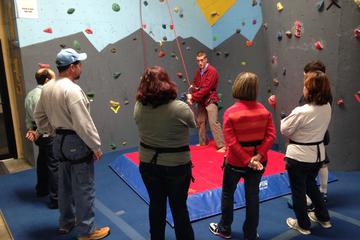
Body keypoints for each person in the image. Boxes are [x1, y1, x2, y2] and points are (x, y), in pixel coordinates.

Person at [34, 48, 110, 240]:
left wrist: (51, 131)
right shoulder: (72, 90)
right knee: (84, 187)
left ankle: (66, 222)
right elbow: (83, 123)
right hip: (76, 141)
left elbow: (38, 116)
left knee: (64, 185)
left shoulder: (48, 87)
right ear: (71, 67)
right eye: (79, 64)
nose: (80, 68)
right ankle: (87, 231)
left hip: (58, 141)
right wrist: (95, 146)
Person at [209, 72, 276, 240]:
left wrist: (247, 161)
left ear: (237, 87)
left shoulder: (230, 113)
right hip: (259, 163)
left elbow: (231, 142)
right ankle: (250, 234)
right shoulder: (264, 111)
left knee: (228, 193)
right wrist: (258, 156)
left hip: (235, 164)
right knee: (252, 197)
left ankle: (224, 228)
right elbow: (271, 136)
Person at [134, 66, 196, 240]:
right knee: (179, 208)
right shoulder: (179, 108)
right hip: (175, 167)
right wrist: (187, 104)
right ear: (166, 82)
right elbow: (193, 124)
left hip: (148, 164)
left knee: (156, 204)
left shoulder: (139, 105)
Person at [281, 71, 332, 235]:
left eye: (305, 86)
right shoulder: (327, 107)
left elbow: (284, 129)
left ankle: (303, 224)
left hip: (299, 158)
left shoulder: (302, 111)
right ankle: (323, 217)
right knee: (311, 186)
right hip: (317, 156)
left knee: (298, 191)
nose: (303, 88)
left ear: (310, 91)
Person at [287, 60, 331, 211]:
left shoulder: (307, 102)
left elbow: (287, 127)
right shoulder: (326, 98)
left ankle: (306, 200)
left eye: (306, 78)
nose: (303, 81)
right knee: (320, 164)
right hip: (319, 135)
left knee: (306, 175)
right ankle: (321, 194)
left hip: (308, 140)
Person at [24, 68, 58, 209]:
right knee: (54, 164)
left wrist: (31, 130)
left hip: (38, 134)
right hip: (46, 133)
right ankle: (56, 198)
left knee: (43, 159)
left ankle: (42, 189)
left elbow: (28, 116)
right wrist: (37, 131)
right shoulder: (44, 96)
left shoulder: (30, 94)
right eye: (53, 78)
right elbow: (45, 119)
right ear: (47, 81)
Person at [187, 51, 225, 152]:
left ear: (206, 59)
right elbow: (195, 86)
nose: (200, 62)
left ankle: (222, 145)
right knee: (200, 121)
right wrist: (192, 97)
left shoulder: (212, 71)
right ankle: (203, 142)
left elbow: (206, 89)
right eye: (198, 60)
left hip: (210, 100)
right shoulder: (198, 72)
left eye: (202, 60)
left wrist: (193, 97)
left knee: (213, 122)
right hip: (201, 101)